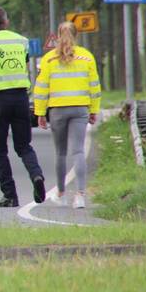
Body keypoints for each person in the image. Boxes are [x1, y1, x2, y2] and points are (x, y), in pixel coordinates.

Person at [0, 7, 46, 207]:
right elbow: (21, 66)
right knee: (24, 146)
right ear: (6, 22)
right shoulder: (21, 41)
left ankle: (10, 195)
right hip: (21, 98)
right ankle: (37, 175)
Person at [34, 21, 101, 209]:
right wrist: (93, 109)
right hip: (80, 109)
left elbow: (41, 88)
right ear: (76, 35)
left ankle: (61, 194)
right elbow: (94, 86)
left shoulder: (48, 59)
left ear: (57, 35)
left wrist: (40, 112)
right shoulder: (87, 57)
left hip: (57, 111)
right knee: (78, 151)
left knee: (60, 153)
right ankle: (80, 196)